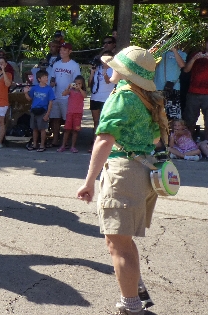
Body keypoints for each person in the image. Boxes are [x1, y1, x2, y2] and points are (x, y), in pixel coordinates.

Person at [77, 46, 165, 315]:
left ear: (127, 73)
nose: (109, 68)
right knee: (122, 242)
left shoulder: (122, 98)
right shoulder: (146, 98)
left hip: (123, 174)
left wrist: (89, 180)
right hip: (143, 171)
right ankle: (135, 293)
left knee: (119, 245)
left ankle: (131, 306)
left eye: (115, 65)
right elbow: (155, 140)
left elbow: (104, 139)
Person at [48, 42, 80, 148]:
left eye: (64, 50)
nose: (62, 52)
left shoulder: (74, 65)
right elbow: (53, 77)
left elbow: (77, 81)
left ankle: (66, 142)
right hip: (56, 95)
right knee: (55, 119)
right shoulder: (56, 64)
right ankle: (55, 139)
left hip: (68, 97)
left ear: (69, 52)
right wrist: (52, 82)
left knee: (67, 120)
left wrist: (70, 90)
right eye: (61, 50)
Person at [89, 50, 116, 152]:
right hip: (95, 97)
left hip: (107, 98)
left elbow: (108, 81)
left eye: (107, 58)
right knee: (96, 122)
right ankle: (94, 144)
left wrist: (105, 72)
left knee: (105, 122)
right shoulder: (97, 68)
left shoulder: (113, 69)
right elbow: (89, 84)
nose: (105, 60)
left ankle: (105, 145)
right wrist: (92, 73)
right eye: (103, 58)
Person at [24, 69, 55, 152]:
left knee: (42, 129)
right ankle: (34, 144)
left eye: (47, 77)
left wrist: (47, 114)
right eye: (44, 77)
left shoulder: (49, 89)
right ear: (39, 79)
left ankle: (42, 145)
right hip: (34, 110)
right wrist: (26, 93)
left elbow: (50, 102)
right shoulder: (34, 88)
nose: (46, 79)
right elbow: (29, 99)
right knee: (34, 128)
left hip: (43, 111)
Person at [183, 41, 208, 141]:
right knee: (189, 120)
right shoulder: (195, 54)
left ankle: (206, 144)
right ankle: (187, 143)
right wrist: (194, 59)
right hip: (193, 92)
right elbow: (186, 70)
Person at [154, 46, 186, 119]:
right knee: (158, 113)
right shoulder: (160, 53)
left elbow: (182, 65)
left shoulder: (182, 54)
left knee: (174, 115)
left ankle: (173, 130)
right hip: (158, 87)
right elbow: (152, 65)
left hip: (173, 88)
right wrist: (159, 51)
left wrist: (174, 51)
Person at [58, 75, 86, 153]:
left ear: (82, 84)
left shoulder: (82, 92)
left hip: (78, 114)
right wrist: (68, 87)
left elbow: (85, 96)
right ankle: (63, 145)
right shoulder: (71, 91)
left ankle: (73, 146)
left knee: (75, 130)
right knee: (67, 130)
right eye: (76, 83)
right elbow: (63, 94)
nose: (77, 85)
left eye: (79, 84)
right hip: (70, 113)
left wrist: (80, 89)